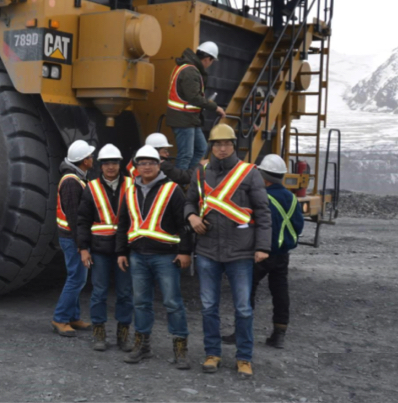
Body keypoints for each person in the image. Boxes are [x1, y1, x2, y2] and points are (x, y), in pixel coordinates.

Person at [185, 124, 272, 379]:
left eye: (226, 144)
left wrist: (262, 246)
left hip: (240, 251)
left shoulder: (249, 173)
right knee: (208, 307)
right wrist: (191, 216)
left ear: (234, 146)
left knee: (243, 308)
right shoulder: (200, 172)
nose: (222, 149)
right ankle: (212, 354)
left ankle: (244, 357)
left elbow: (263, 212)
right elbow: (190, 201)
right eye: (217, 144)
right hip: (208, 250)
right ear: (211, 146)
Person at [116, 146, 193, 368]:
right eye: (142, 163)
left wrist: (185, 251)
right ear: (136, 167)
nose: (147, 167)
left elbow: (184, 224)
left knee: (172, 303)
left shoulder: (172, 190)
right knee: (140, 303)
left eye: (151, 163)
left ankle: (180, 350)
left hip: (166, 257)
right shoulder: (130, 191)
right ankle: (142, 346)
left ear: (159, 165)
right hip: (138, 257)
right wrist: (121, 252)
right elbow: (123, 224)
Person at [223, 154, 304, 348]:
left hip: (260, 253)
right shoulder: (292, 198)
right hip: (282, 254)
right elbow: (298, 225)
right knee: (280, 291)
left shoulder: (261, 198)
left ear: (264, 177)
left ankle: (241, 333)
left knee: (247, 291)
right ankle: (279, 335)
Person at [76, 144, 134, 352]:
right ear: (100, 166)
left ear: (120, 164)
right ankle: (99, 331)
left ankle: (123, 333)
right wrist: (83, 248)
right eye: (107, 163)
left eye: (114, 163)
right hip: (100, 250)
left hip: (124, 250)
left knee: (125, 293)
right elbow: (82, 220)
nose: (111, 167)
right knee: (99, 293)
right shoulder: (91, 188)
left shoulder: (132, 185)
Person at [51, 140, 96, 337]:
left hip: (71, 237)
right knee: (76, 279)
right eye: (90, 156)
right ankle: (60, 318)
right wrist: (82, 244)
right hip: (72, 238)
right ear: (84, 161)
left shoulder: (75, 178)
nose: (92, 159)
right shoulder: (71, 182)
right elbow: (74, 216)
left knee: (77, 278)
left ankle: (73, 316)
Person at [166, 41, 226, 171]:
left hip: (188, 118)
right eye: (212, 61)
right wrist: (215, 107)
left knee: (201, 148)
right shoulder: (190, 72)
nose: (210, 64)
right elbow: (193, 98)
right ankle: (181, 181)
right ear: (207, 59)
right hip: (183, 118)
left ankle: (189, 176)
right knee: (186, 155)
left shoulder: (186, 68)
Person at [127, 133, 194, 186]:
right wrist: (198, 167)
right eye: (165, 150)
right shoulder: (162, 165)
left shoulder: (134, 161)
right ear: (156, 151)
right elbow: (185, 178)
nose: (167, 154)